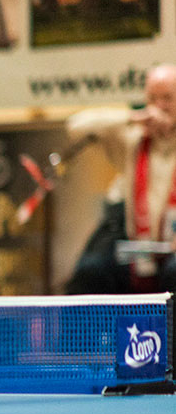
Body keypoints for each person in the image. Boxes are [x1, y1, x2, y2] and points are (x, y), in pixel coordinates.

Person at [65, 63, 176, 293]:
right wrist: (133, 117)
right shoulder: (133, 137)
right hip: (138, 246)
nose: (159, 106)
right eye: (152, 99)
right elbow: (75, 126)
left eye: (167, 98)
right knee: (90, 271)